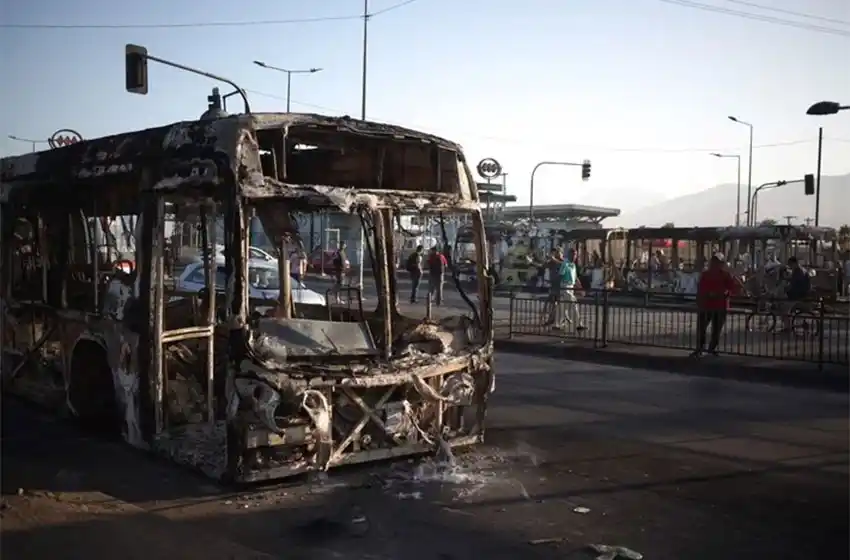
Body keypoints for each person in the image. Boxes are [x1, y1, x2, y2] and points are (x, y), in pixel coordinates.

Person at [692, 255, 739, 357]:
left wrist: (725, 293)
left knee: (714, 329)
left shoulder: (725, 275)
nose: (714, 264)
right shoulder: (707, 274)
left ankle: (708, 349)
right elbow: (701, 289)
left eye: (716, 262)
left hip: (717, 305)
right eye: (713, 262)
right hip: (709, 305)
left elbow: (732, 288)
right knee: (704, 329)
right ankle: (702, 348)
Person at [554, 248, 586, 331]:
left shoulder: (573, 265)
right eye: (573, 254)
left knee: (563, 307)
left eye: (575, 254)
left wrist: (580, 288)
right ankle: (579, 324)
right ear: (569, 255)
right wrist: (558, 289)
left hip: (571, 287)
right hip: (565, 286)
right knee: (573, 303)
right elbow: (560, 275)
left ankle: (556, 325)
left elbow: (575, 278)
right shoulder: (565, 263)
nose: (574, 256)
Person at [779, 256, 811, 332]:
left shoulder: (798, 271)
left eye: (790, 264)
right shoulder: (801, 270)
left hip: (797, 295)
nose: (790, 266)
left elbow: (793, 284)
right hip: (802, 294)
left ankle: (787, 327)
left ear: (794, 263)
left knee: (783, 308)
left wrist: (785, 289)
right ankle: (789, 324)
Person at [542, 248, 564, 326]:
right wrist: (545, 258)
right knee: (551, 303)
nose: (557, 254)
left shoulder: (563, 261)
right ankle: (550, 319)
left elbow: (561, 264)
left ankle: (558, 320)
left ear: (561, 253)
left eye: (558, 252)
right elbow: (544, 266)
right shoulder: (552, 262)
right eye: (556, 253)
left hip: (561, 287)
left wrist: (553, 259)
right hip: (553, 286)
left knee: (559, 305)